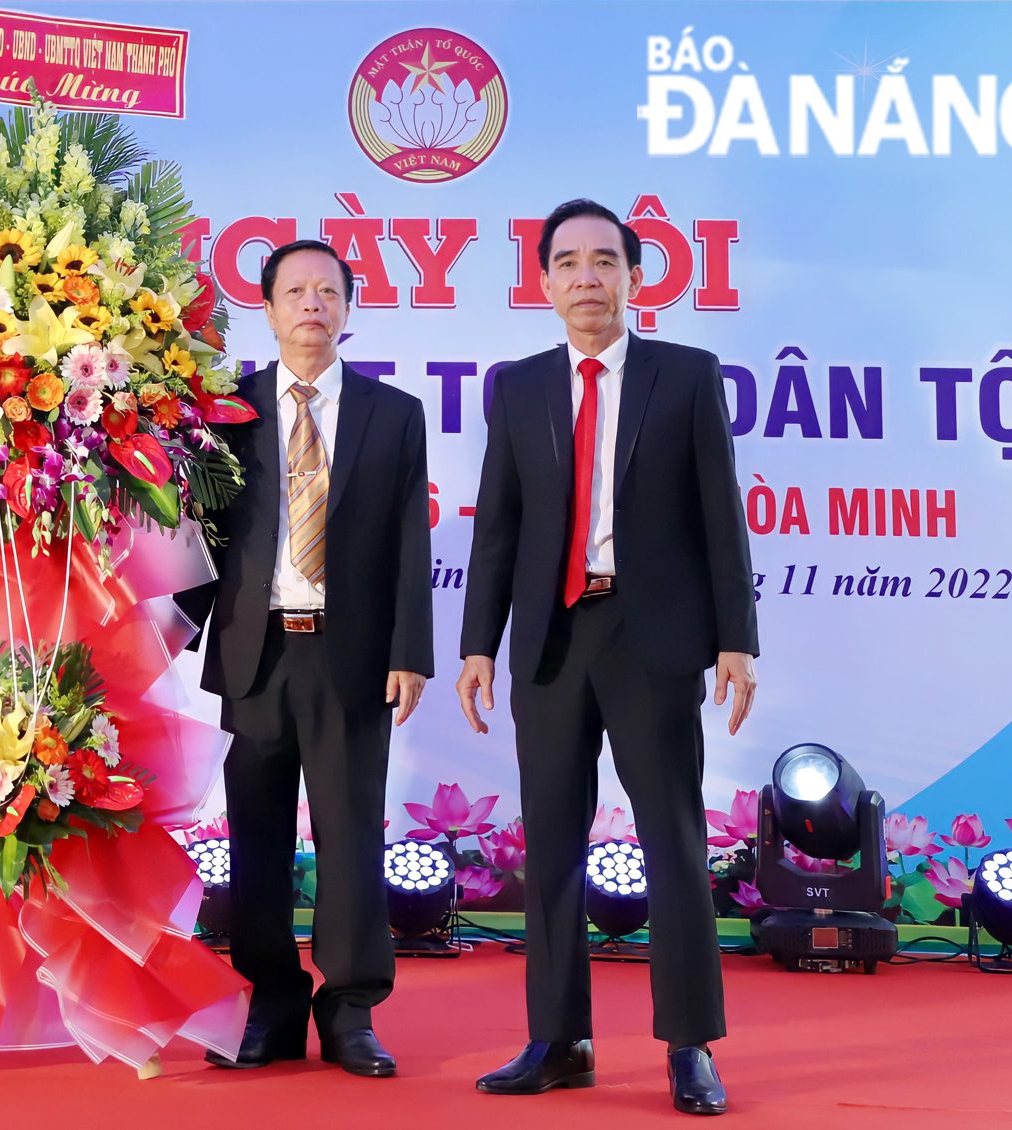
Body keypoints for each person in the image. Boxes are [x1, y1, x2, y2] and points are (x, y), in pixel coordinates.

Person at [457, 199, 758, 1116]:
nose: (586, 277)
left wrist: (736, 638)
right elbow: (498, 529)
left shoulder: (686, 375)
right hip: (551, 638)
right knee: (549, 843)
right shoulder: (519, 386)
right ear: (543, 281)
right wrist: (477, 644)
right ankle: (559, 1039)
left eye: (604, 261)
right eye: (568, 263)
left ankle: (689, 1046)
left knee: (671, 841)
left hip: (652, 633)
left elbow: (721, 516)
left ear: (634, 276)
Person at [175, 239, 433, 1078]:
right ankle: (272, 1006)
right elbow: (203, 540)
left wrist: (411, 652)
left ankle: (351, 1010)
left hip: (352, 656)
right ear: (270, 306)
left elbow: (407, 541)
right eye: (296, 291)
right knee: (254, 841)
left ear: (349, 309)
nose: (312, 305)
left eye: (329, 291)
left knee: (352, 837)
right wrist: (167, 633)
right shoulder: (229, 411)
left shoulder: (393, 415)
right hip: (255, 653)